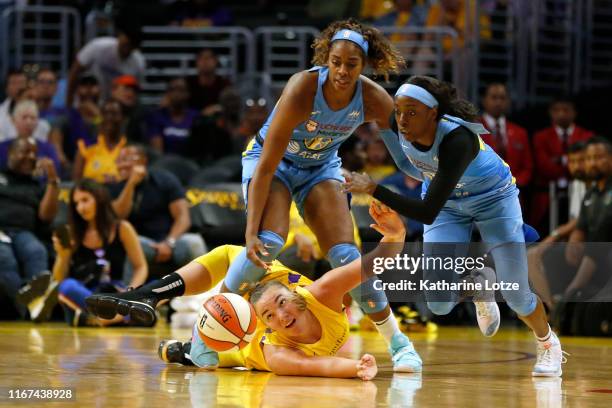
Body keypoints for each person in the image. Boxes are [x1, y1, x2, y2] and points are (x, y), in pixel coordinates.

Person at [343, 75, 566, 377]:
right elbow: (411, 166)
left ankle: (548, 343)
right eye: (398, 111)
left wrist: (373, 187)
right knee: (438, 303)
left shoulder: (457, 139)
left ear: (433, 113)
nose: (402, 119)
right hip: (448, 204)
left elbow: (426, 212)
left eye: (411, 111)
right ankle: (477, 286)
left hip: (493, 199)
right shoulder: (398, 126)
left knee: (515, 292)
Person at [232, 19, 420, 372]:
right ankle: (210, 327)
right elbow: (267, 167)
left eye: (352, 64)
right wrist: (249, 231)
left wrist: (442, 177)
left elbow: (406, 162)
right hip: (271, 163)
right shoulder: (302, 87)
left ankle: (399, 344)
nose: (343, 71)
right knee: (267, 243)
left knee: (348, 257)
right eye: (336, 62)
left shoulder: (376, 99)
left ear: (364, 65)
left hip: (321, 167)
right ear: (326, 58)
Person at [86, 202, 420, 378]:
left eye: (279, 307)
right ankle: (150, 294)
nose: (281, 316)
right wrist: (357, 368)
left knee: (212, 360)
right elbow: (320, 366)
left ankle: (180, 347)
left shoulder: (277, 346)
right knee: (234, 255)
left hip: (243, 340)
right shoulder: (285, 333)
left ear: (292, 298)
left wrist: (395, 238)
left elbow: (371, 263)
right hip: (247, 278)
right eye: (271, 316)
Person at [52, 179, 148, 326]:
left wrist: (130, 294)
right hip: (85, 295)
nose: (81, 208)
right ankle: (116, 318)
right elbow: (59, 281)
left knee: (155, 287)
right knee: (67, 286)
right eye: (76, 203)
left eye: (85, 200)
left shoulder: (122, 228)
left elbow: (141, 266)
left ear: (99, 198)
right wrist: (62, 255)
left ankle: (93, 319)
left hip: (115, 293)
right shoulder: (72, 232)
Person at [109, 144, 207, 277]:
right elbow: (119, 215)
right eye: (118, 161)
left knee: (194, 242)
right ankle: (128, 294)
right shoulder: (115, 187)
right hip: (140, 242)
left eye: (126, 159)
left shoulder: (164, 180)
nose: (121, 165)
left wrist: (169, 242)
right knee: (134, 245)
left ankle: (208, 295)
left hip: (171, 240)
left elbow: (183, 218)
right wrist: (130, 184)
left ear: (142, 160)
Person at [0, 138, 59, 321]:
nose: (31, 156)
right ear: (11, 154)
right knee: (5, 257)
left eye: (34, 153)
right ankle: (27, 309)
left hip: (24, 232)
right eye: (25, 151)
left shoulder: (36, 185)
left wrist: (52, 181)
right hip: (1, 231)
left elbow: (46, 216)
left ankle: (38, 303)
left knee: (36, 251)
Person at [531, 96, 593, 233]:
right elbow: (544, 167)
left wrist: (560, 160)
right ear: (550, 112)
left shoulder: (587, 136)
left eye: (566, 110)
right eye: (557, 110)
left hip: (579, 192)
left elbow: (585, 167)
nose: (561, 114)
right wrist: (570, 163)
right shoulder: (540, 137)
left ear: (574, 113)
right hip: (547, 197)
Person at [66, 23, 145, 105]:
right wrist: (68, 102)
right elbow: (75, 71)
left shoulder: (138, 62)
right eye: (126, 42)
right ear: (120, 35)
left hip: (117, 108)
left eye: (131, 45)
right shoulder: (98, 46)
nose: (127, 47)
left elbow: (135, 91)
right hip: (90, 100)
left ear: (136, 47)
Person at [73, 99, 127, 183]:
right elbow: (76, 182)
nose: (109, 117)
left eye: (114, 114)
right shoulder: (86, 146)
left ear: (123, 118)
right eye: (105, 113)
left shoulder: (130, 148)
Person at [0, 100, 61, 173]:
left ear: (37, 122)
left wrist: (48, 168)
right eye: (24, 117)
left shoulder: (47, 148)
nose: (29, 122)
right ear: (13, 120)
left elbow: (56, 171)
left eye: (33, 118)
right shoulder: (2, 147)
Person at [147, 77, 199, 155]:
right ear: (167, 93)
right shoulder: (158, 116)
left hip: (190, 164)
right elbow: (157, 152)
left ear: (188, 94)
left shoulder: (195, 117)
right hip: (164, 164)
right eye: (173, 89)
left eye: (181, 90)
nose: (177, 93)